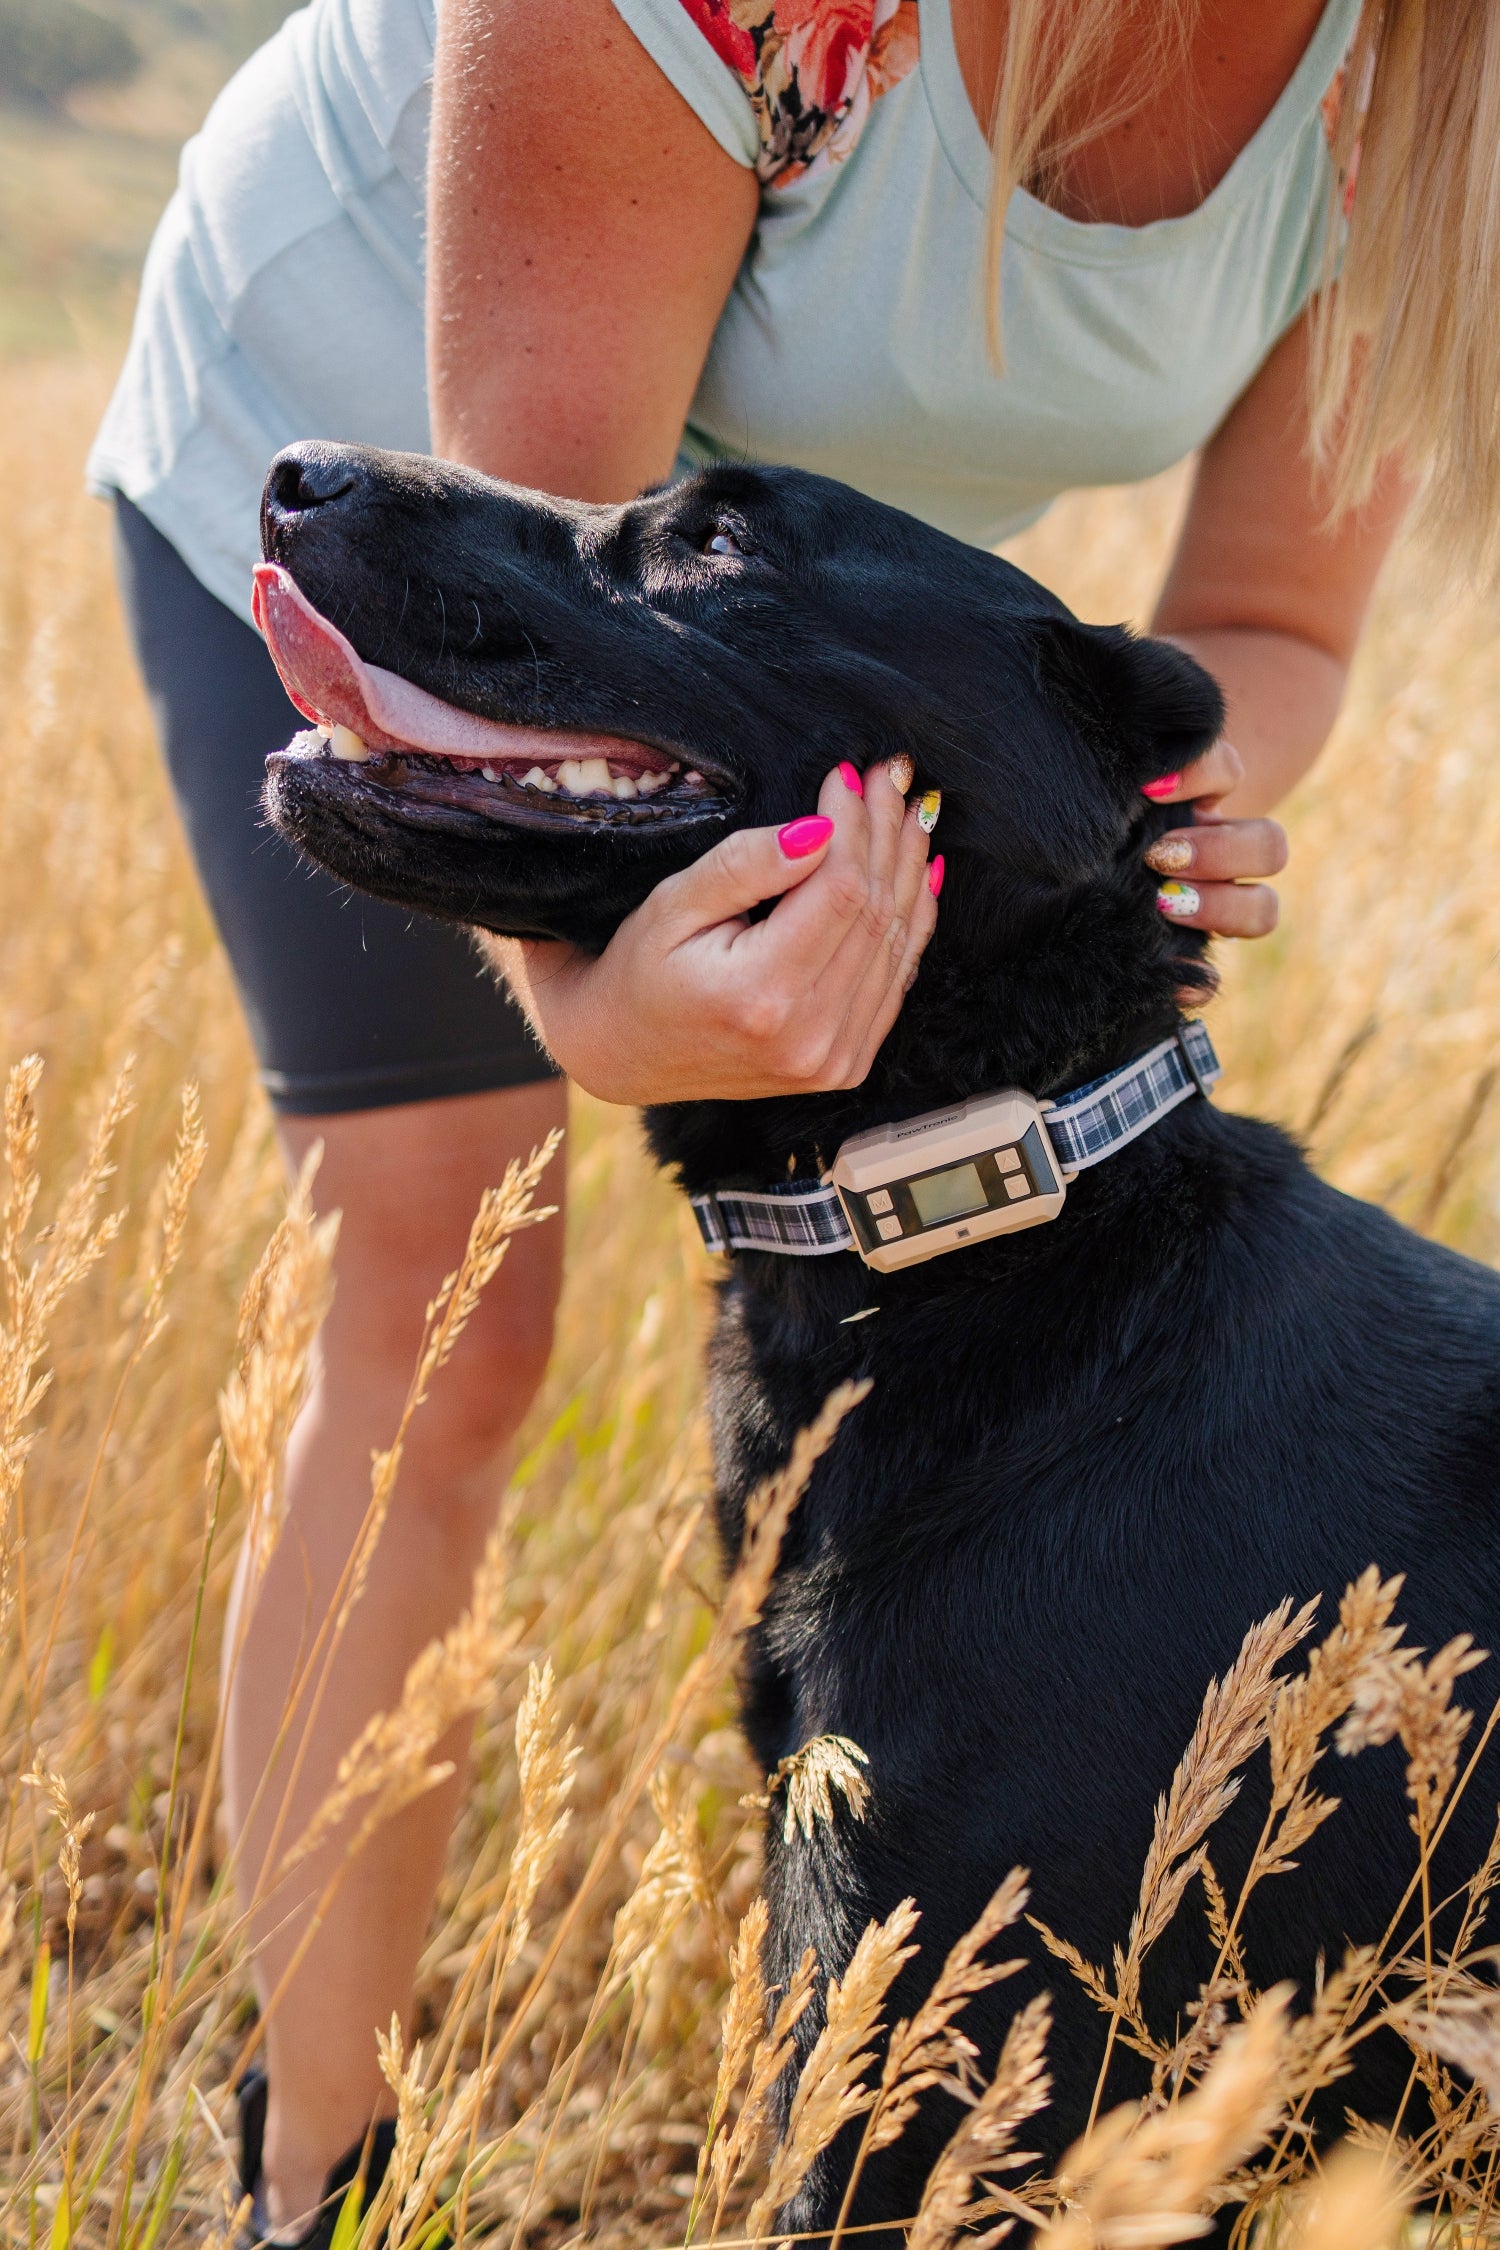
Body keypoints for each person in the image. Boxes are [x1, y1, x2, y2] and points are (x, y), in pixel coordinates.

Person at [91, 0, 1491, 2235]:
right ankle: (307, 2173)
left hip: (770, 586)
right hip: (412, 477)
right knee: (446, 1287)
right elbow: (517, 668)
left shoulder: (1419, 86)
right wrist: (613, 1022)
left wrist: (1157, 809)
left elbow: (1259, 624)